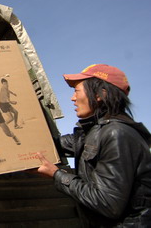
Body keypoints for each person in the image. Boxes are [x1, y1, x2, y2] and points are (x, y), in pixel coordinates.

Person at [37, 64, 151, 227]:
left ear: (100, 94)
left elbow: (108, 203)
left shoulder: (117, 134)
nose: (73, 98)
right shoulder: (93, 132)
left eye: (77, 91)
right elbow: (56, 143)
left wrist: (57, 175)